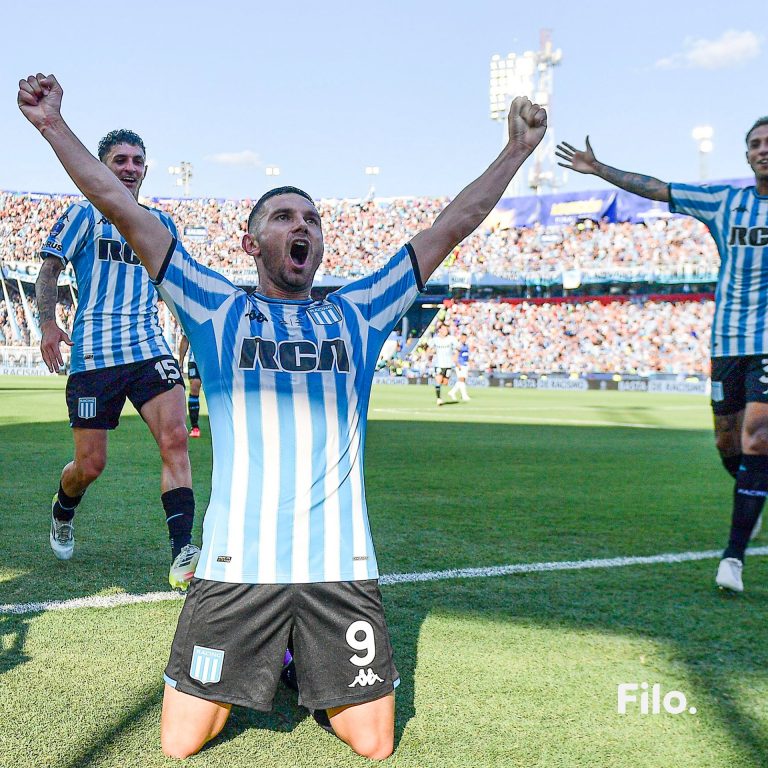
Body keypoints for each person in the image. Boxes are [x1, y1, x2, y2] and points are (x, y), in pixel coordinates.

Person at [18, 72, 546, 760]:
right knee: (180, 741)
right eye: (284, 217)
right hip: (239, 567)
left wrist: (517, 149)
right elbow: (119, 206)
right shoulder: (214, 306)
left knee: (374, 743)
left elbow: (452, 224)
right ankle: (281, 653)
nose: (302, 227)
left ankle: (300, 658)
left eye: (312, 219)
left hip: (340, 566)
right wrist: (53, 124)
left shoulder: (360, 308)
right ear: (251, 243)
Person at [556, 120, 768, 594]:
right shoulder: (725, 202)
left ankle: (732, 559)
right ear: (746, 155)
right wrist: (598, 168)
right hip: (728, 340)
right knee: (727, 444)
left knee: (757, 438)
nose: (762, 150)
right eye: (755, 143)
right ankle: (753, 492)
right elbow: (656, 188)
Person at [34, 126, 199, 590]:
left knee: (175, 440)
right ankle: (63, 508)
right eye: (119, 160)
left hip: (148, 349)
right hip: (94, 356)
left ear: (146, 169)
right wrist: (48, 323)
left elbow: (176, 286)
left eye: (136, 161)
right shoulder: (84, 215)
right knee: (90, 466)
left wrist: (195, 334)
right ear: (103, 167)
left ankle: (182, 553)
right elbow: (50, 268)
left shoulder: (161, 225)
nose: (129, 168)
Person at [428, 322, 458, 405]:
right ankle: (439, 399)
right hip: (438, 364)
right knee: (438, 380)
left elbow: (457, 349)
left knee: (445, 382)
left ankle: (439, 389)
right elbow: (429, 349)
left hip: (448, 364)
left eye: (446, 329)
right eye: (444, 329)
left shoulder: (451, 339)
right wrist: (429, 356)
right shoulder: (435, 339)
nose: (446, 331)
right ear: (440, 330)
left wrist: (456, 358)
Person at [178, 334, 202, 438]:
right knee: (195, 385)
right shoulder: (193, 318)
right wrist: (181, 361)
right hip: (195, 359)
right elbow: (185, 338)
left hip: (215, 359)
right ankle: (195, 427)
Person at [448, 331, 471, 402]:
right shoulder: (459, 346)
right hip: (460, 364)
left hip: (465, 364)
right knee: (461, 379)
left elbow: (466, 355)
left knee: (462, 380)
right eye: (463, 338)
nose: (464, 339)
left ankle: (452, 392)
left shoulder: (466, 346)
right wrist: (457, 364)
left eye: (465, 338)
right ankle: (464, 395)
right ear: (461, 338)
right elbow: (455, 356)